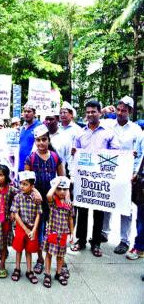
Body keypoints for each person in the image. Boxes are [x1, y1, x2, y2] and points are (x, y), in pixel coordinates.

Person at [71, 100, 119, 257]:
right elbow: (74, 155)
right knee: (82, 211)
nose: (90, 114)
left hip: (100, 180)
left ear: (100, 112)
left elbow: (116, 154)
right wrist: (74, 154)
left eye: (93, 111)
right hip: (84, 179)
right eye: (88, 112)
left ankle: (96, 243)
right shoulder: (80, 133)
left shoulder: (109, 132)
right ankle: (81, 240)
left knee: (99, 212)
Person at [100, 96, 142, 254]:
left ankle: (124, 240)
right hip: (109, 171)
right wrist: (103, 111)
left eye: (124, 110)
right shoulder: (108, 124)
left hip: (127, 174)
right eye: (118, 109)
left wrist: (135, 173)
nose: (120, 112)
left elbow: (140, 154)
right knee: (106, 202)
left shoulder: (136, 130)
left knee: (125, 207)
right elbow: (88, 122)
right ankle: (104, 232)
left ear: (130, 112)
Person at [25, 124, 64, 274]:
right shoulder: (31, 158)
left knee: (55, 229)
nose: (41, 143)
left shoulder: (55, 157)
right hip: (37, 200)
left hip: (52, 200)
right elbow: (27, 180)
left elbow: (62, 178)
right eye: (38, 140)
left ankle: (60, 260)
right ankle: (40, 259)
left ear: (49, 140)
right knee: (39, 229)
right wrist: (35, 192)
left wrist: (64, 195)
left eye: (44, 139)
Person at [42, 176, 74, 288]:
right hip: (53, 232)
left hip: (64, 233)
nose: (61, 191)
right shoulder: (53, 202)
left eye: (64, 189)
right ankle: (47, 274)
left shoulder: (69, 204)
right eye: (59, 189)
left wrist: (72, 234)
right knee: (49, 254)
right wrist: (57, 182)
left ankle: (59, 273)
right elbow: (48, 195)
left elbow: (70, 219)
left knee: (61, 255)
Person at [10, 171, 42, 284]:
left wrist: (33, 230)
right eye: (21, 183)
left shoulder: (36, 198)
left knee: (29, 250)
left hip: (32, 227)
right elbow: (16, 214)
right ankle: (17, 269)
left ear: (32, 186)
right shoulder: (18, 197)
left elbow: (39, 214)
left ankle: (29, 271)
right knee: (19, 249)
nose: (22, 186)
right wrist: (25, 228)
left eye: (25, 184)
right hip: (21, 227)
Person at [0, 164, 18, 279]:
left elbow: (18, 198)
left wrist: (13, 211)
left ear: (6, 176)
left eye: (0, 175)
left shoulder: (11, 189)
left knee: (4, 243)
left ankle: (2, 265)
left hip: (5, 221)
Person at [127, 129, 144, 260]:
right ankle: (140, 246)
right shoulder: (141, 135)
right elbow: (139, 156)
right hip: (141, 180)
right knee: (141, 217)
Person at [18, 102, 41, 172]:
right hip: (20, 166)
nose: (26, 113)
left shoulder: (39, 127)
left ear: (34, 113)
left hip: (33, 167)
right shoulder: (22, 128)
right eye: (24, 111)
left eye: (29, 111)